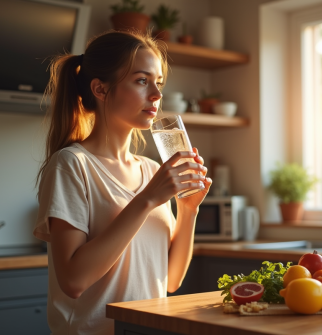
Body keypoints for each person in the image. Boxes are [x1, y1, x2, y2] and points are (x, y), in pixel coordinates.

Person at [33, 30, 212, 335]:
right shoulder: (72, 165)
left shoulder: (152, 169)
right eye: (142, 81)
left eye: (158, 83)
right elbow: (73, 281)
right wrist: (146, 200)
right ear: (100, 89)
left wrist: (188, 209)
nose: (156, 95)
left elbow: (170, 280)